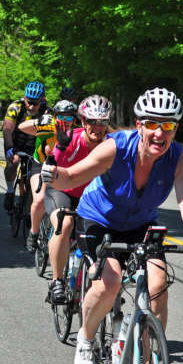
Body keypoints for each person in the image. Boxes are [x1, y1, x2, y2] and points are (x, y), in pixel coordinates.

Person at [41, 87, 183, 364]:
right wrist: (53, 173)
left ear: (176, 128)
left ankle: (147, 363)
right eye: (151, 124)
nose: (159, 133)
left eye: (168, 125)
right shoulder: (116, 147)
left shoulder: (180, 159)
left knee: (158, 284)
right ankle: (85, 339)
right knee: (109, 281)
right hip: (98, 218)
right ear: (139, 125)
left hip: (141, 224)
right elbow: (74, 175)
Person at [43, 95, 113, 305]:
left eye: (102, 122)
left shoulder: (112, 145)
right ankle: (56, 281)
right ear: (83, 121)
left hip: (91, 200)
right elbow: (52, 169)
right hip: (62, 192)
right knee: (64, 224)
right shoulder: (69, 139)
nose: (97, 127)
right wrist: (58, 149)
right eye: (92, 121)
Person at [17, 99, 73, 252]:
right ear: (55, 117)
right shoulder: (48, 126)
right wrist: (39, 121)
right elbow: (21, 127)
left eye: (69, 117)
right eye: (61, 117)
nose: (65, 121)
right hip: (40, 164)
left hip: (62, 168)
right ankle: (33, 233)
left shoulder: (76, 132)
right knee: (40, 199)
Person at [2, 81, 47, 214]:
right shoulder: (16, 107)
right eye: (29, 102)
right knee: (13, 162)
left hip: (34, 147)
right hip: (15, 143)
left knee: (36, 177)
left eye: (36, 103)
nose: (32, 106)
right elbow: (7, 129)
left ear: (42, 100)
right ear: (25, 98)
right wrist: (9, 147)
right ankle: (10, 191)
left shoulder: (47, 111)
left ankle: (29, 209)